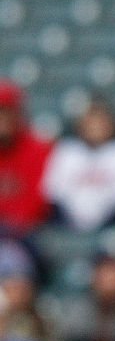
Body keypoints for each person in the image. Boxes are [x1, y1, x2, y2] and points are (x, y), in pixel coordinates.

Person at [42, 97, 115, 232]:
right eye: (90, 120)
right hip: (69, 226)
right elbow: (54, 197)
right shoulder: (66, 151)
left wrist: (100, 233)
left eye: (101, 120)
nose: (95, 126)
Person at [0, 79, 53, 236]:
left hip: (27, 236)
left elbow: (37, 204)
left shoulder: (40, 149)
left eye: (6, 111)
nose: (2, 119)